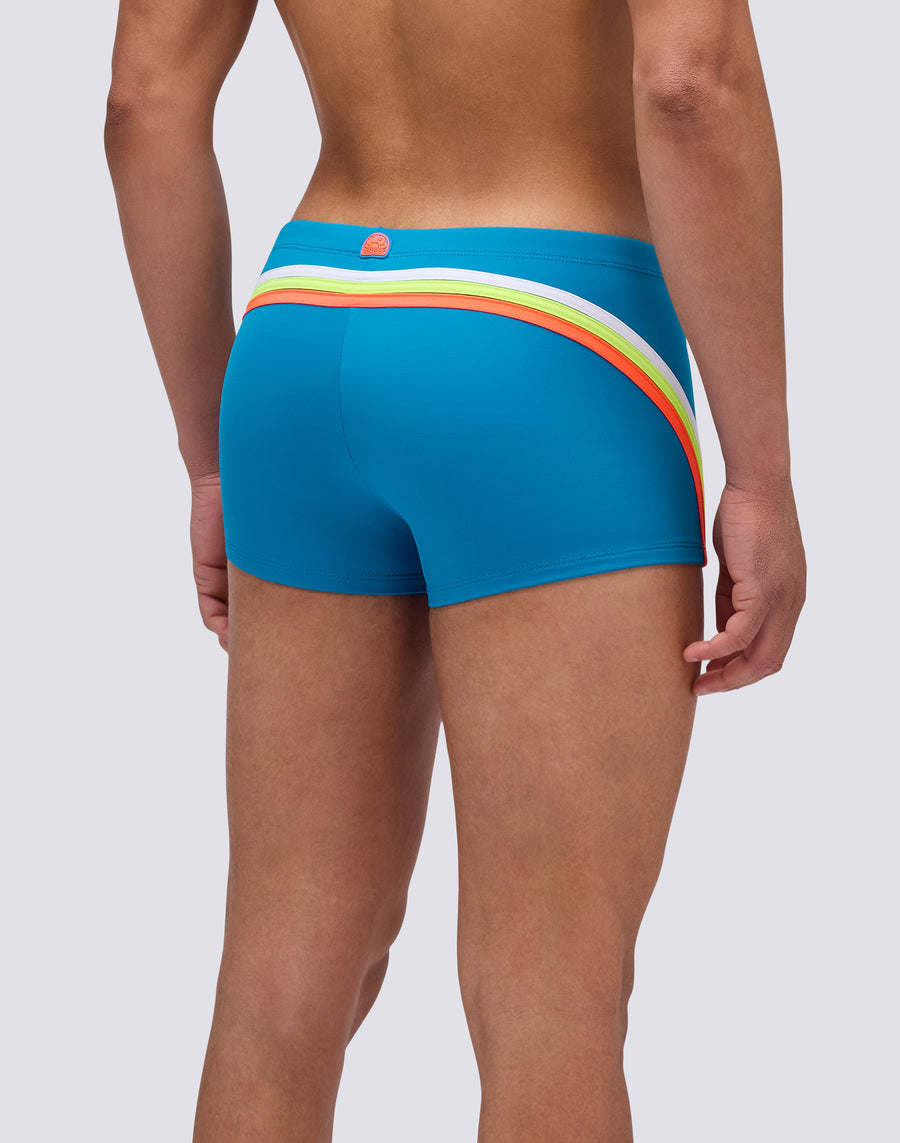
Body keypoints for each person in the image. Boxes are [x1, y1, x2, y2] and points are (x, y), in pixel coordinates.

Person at [104, 0, 806, 1138]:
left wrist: (209, 460)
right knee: (551, 998)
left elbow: (144, 104)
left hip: (303, 331)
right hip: (549, 336)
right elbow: (690, 83)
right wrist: (761, 477)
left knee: (281, 987)